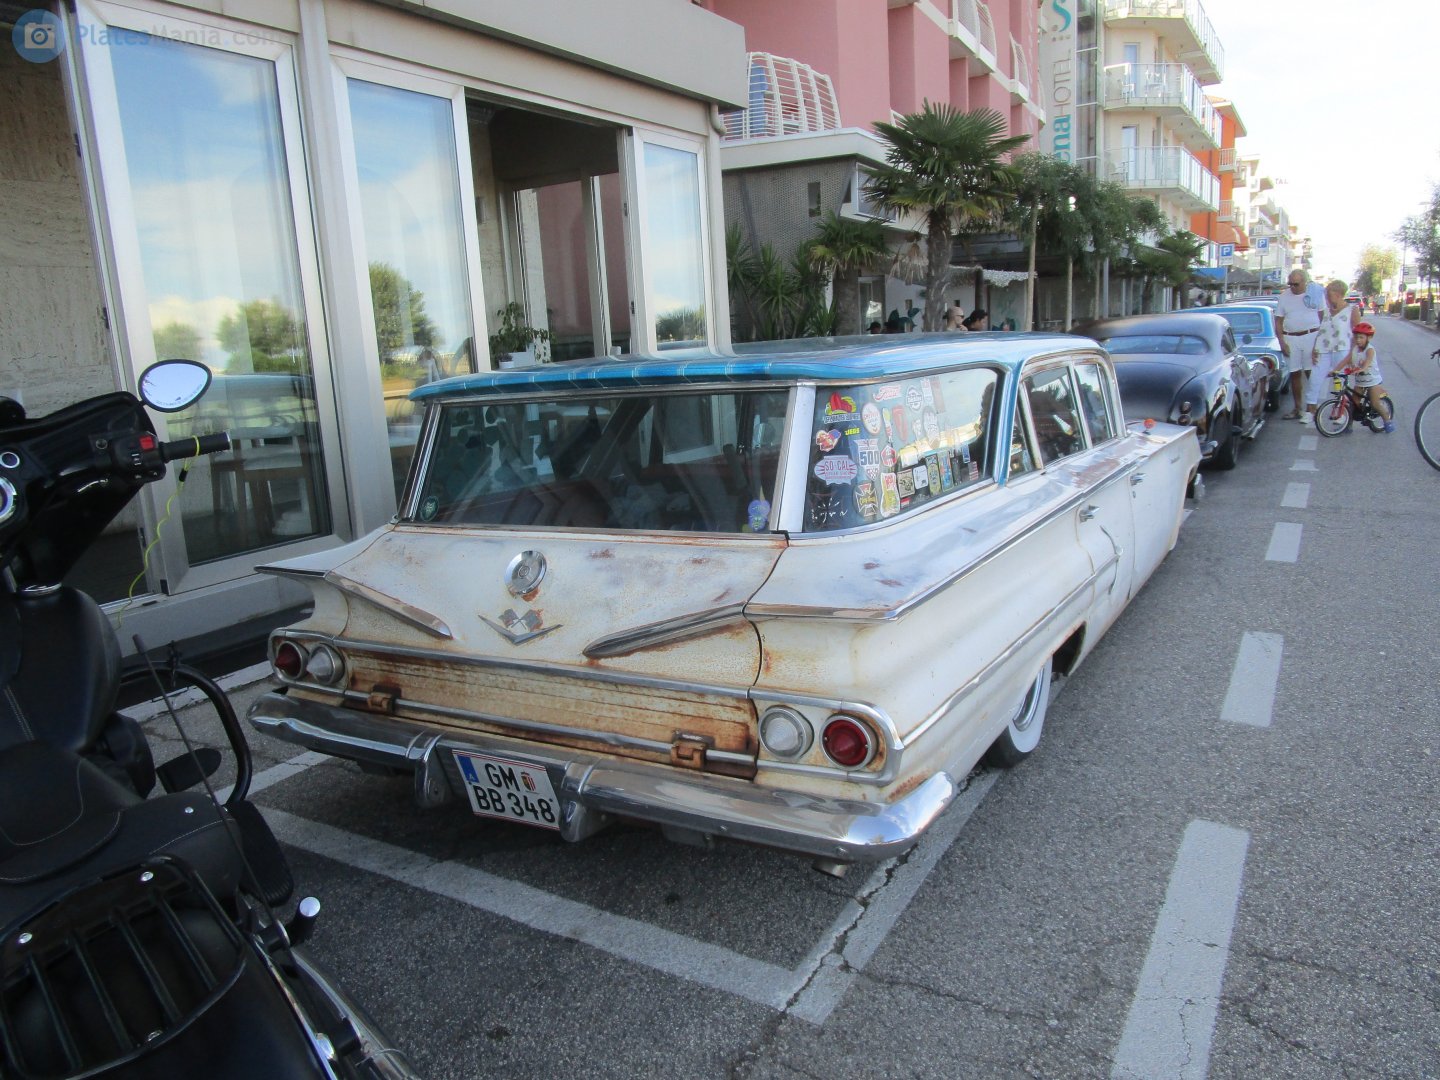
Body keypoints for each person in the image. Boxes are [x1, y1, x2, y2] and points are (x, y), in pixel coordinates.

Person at [1273, 269, 1325, 423]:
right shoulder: (1284, 296)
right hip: (1291, 338)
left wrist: (1320, 341)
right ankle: (1297, 408)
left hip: (1311, 335)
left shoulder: (1315, 294)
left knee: (1311, 372)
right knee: (1294, 373)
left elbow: (1323, 317)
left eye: (1295, 284)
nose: (1292, 287)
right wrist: (1282, 342)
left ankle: (1312, 407)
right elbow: (1278, 321)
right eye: (1290, 284)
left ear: (1304, 282)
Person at [1311, 279, 1361, 424]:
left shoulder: (1352, 310)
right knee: (1315, 377)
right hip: (1324, 349)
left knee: (1339, 382)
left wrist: (1353, 353)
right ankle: (1310, 408)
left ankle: (1341, 412)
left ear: (1339, 294)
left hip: (1342, 349)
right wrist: (1314, 348)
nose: (1327, 297)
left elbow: (1357, 333)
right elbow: (1322, 330)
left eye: (1329, 294)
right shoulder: (1326, 311)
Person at [1334, 321, 1394, 433]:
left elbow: (1367, 362)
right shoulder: (1355, 349)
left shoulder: (1370, 350)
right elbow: (1346, 360)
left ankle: (1387, 421)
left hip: (1372, 381)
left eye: (1361, 337)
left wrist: (1362, 368)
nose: (1358, 340)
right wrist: (1335, 370)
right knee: (1353, 404)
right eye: (1356, 337)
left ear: (1369, 338)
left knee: (1375, 403)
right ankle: (1348, 425)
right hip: (1360, 381)